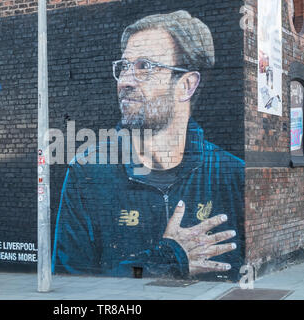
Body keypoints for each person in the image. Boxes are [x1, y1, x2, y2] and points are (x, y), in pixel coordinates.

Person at [52, 10, 245, 281]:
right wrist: (166, 260)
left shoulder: (231, 175)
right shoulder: (89, 173)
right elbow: (70, 282)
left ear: (186, 85)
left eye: (145, 67)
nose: (126, 81)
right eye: (124, 66)